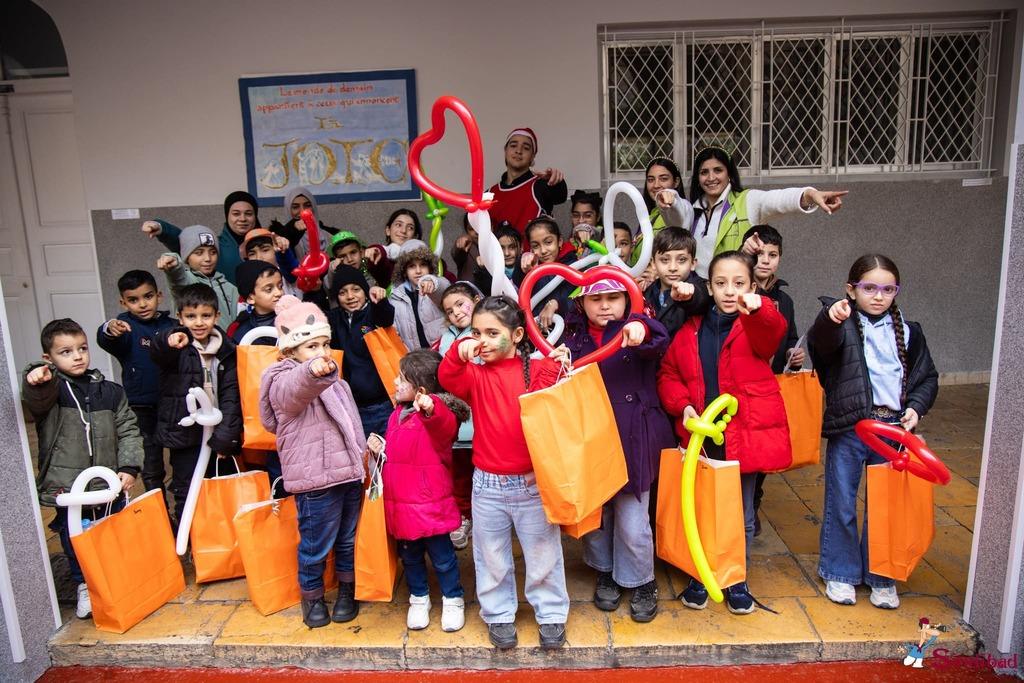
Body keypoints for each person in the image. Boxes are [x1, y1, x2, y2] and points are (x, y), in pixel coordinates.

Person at [657, 251, 790, 615]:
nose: (730, 291)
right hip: (702, 436)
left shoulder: (755, 325)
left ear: (753, 286)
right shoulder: (690, 329)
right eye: (721, 283)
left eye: (739, 283)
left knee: (740, 514)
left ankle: (735, 578)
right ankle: (700, 574)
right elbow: (668, 374)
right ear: (709, 287)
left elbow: (773, 330)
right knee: (701, 509)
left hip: (743, 435)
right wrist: (683, 405)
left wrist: (759, 307)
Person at [438, 296, 568, 650]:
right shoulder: (475, 375)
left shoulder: (537, 371)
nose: (482, 340)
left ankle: (551, 613)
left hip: (532, 483)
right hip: (487, 485)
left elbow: (561, 396)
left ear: (517, 335)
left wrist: (560, 363)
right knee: (491, 555)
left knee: (543, 553)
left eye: (492, 333)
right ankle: (498, 613)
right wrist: (458, 351)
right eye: (476, 332)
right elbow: (447, 376)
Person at [807, 254, 937, 609]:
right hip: (851, 427)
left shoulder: (910, 331)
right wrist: (830, 317)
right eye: (869, 288)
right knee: (842, 502)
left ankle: (882, 575)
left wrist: (915, 407)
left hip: (892, 430)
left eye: (887, 289)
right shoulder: (840, 323)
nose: (878, 296)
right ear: (851, 290)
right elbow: (820, 343)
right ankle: (840, 571)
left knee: (887, 505)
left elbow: (926, 377)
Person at [562, 279, 675, 623]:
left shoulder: (635, 326)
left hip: (633, 435)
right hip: (591, 435)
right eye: (596, 298)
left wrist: (641, 328)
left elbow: (657, 340)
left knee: (633, 518)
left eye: (613, 297)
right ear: (582, 303)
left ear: (628, 299)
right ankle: (606, 571)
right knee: (599, 514)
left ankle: (641, 580)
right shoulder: (573, 336)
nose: (605, 305)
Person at [23, 318, 143, 620]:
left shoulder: (111, 392)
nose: (77, 356)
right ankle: (84, 585)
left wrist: (129, 466)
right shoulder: (51, 391)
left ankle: (116, 581)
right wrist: (36, 374)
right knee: (73, 537)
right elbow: (35, 397)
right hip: (67, 485)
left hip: (107, 483)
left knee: (111, 532)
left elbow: (128, 430)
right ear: (49, 358)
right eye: (66, 352)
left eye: (82, 348)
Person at [259, 295, 367, 628]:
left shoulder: (335, 381)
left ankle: (347, 590)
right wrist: (310, 370)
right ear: (290, 351)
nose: (321, 352)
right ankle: (312, 596)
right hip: (315, 481)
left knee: (347, 540)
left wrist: (363, 456)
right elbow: (296, 389)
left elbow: (351, 423)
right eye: (311, 346)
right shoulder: (281, 379)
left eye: (324, 344)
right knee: (315, 545)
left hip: (348, 474)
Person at [384, 350, 469, 633]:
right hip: (401, 504)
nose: (395, 382)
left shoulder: (436, 415)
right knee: (410, 557)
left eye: (401, 378)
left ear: (420, 389)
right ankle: (419, 598)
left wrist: (430, 407)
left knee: (443, 558)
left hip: (429, 504)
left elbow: (443, 424)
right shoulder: (397, 413)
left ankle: (453, 598)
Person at [149, 284, 242, 527]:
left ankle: (218, 538)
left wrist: (226, 436)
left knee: (218, 488)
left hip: (217, 432)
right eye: (191, 316)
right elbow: (158, 350)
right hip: (185, 434)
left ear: (217, 316)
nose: (199, 322)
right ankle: (191, 537)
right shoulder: (178, 346)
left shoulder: (227, 350)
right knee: (187, 489)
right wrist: (169, 339)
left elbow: (232, 395)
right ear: (180, 317)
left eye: (206, 315)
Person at [687, 147, 847, 278]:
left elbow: (778, 200)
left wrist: (809, 195)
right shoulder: (690, 210)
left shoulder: (747, 200)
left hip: (733, 293)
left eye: (718, 170)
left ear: (729, 174)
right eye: (704, 172)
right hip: (698, 294)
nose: (711, 177)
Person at [96, 270, 176, 506]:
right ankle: (160, 513)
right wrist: (109, 327)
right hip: (141, 407)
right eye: (133, 300)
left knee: (181, 459)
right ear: (123, 302)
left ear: (159, 295)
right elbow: (105, 337)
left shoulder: (172, 325)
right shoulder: (125, 329)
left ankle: (184, 508)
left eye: (148, 296)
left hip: (173, 404)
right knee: (152, 465)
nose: (142, 304)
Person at [437, 282, 485, 550]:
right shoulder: (445, 338)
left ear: (476, 300)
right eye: (449, 310)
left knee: (483, 478)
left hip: (482, 422)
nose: (456, 312)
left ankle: (482, 519)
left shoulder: (485, 332)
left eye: (460, 304)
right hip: (458, 424)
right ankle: (464, 517)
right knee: (460, 476)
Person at [326, 266, 395, 440]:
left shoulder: (373, 312)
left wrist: (380, 300)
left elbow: (387, 318)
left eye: (356, 289)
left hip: (384, 402)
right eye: (342, 292)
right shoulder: (335, 319)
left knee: (391, 449)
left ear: (365, 291)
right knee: (367, 453)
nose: (350, 296)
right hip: (354, 407)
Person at [142, 190, 260, 285]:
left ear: (255, 216)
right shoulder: (216, 246)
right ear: (227, 215)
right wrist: (162, 228)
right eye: (236, 214)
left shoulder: (267, 243)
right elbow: (185, 241)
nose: (242, 219)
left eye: (248, 214)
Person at [487, 128, 568, 246]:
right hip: (500, 257)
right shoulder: (489, 194)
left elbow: (560, 196)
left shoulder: (540, 185)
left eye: (526, 148)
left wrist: (556, 180)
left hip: (536, 257)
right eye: (513, 146)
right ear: (505, 150)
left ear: (532, 156)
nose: (518, 151)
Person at [156, 224, 240, 331]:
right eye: (199, 253)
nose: (208, 258)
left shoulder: (231, 288)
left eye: (213, 252)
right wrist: (174, 265)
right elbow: (177, 278)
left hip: (226, 341)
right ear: (187, 257)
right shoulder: (186, 282)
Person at [642, 227, 709, 339]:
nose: (673, 267)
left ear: (693, 263)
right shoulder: (647, 292)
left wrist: (689, 297)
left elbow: (701, 298)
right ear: (653, 263)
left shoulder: (698, 285)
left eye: (681, 260)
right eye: (665, 260)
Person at [629, 158, 694, 265]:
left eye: (663, 179)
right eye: (651, 180)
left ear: (676, 182)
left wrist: (673, 200)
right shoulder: (651, 214)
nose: (656, 185)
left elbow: (679, 213)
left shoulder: (683, 207)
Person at [520, 217, 577, 333]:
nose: (543, 251)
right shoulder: (530, 266)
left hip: (570, 334)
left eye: (548, 242)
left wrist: (556, 302)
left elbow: (575, 295)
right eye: (535, 246)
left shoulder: (574, 264)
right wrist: (524, 267)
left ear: (559, 241)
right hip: (535, 334)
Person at [389, 240, 449, 350]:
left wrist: (432, 282)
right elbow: (396, 336)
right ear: (404, 271)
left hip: (445, 354)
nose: (418, 271)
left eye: (423, 265)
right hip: (416, 358)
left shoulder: (437, 285)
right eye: (412, 266)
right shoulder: (395, 298)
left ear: (430, 267)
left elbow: (444, 288)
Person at [269, 186, 337, 259]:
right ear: (288, 210)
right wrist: (293, 228)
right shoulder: (280, 237)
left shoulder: (329, 236)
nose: (303, 211)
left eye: (307, 205)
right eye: (295, 207)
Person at [228, 260, 285, 346]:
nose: (279, 293)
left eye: (280, 286)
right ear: (250, 298)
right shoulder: (242, 333)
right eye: (269, 289)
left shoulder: (293, 319)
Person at [239, 228, 302, 298]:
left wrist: (283, 254)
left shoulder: (286, 273)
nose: (259, 258)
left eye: (265, 250)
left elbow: (291, 269)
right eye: (252, 254)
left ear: (275, 248)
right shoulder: (248, 286)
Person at [327, 230, 392, 291]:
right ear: (337, 259)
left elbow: (388, 273)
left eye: (353, 252)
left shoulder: (370, 265)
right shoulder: (337, 273)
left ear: (361, 252)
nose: (350, 259)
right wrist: (332, 269)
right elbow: (329, 286)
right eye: (342, 256)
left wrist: (379, 253)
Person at [472, 222, 524, 296]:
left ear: (521, 248)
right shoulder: (489, 271)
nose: (507, 253)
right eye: (501, 248)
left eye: (512, 247)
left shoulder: (527, 268)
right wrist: (482, 270)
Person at [451, 214, 480, 282]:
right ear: (467, 231)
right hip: (467, 287)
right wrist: (460, 243)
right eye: (471, 229)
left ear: (491, 226)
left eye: (479, 226)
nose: (476, 232)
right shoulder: (467, 246)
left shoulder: (498, 246)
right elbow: (456, 253)